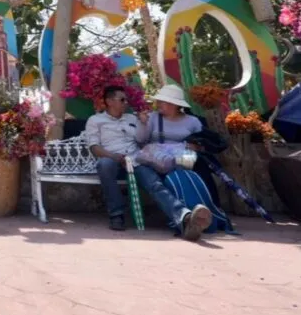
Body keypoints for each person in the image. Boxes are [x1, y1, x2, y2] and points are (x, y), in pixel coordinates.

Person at [83, 85, 212, 240]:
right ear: (109, 101)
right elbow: (94, 148)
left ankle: (184, 219)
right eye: (122, 99)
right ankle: (116, 215)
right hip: (112, 160)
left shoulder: (133, 118)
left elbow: (143, 140)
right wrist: (116, 157)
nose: (126, 103)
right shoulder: (96, 120)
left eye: (126, 99)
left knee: (155, 184)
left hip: (137, 160)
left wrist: (144, 125)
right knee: (104, 165)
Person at [137, 84, 221, 207]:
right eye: (158, 101)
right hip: (158, 159)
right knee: (168, 171)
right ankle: (181, 209)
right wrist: (143, 123)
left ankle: (212, 206)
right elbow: (140, 140)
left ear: (173, 104)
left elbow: (203, 141)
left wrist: (197, 146)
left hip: (184, 156)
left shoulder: (192, 121)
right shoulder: (153, 117)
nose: (158, 104)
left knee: (201, 168)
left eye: (162, 102)